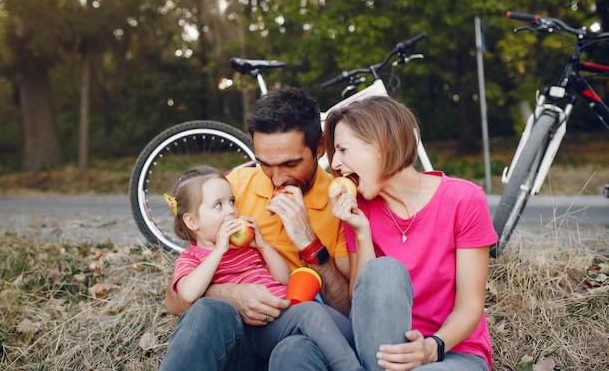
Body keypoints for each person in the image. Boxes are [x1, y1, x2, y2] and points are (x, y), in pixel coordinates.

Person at [159, 86, 352, 371]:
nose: (277, 178)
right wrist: (230, 295)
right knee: (211, 310)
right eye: (264, 164)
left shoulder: (341, 203)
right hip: (238, 342)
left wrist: (310, 244)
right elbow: (176, 301)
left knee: (295, 350)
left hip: (295, 335)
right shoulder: (230, 190)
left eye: (290, 163)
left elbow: (345, 312)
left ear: (321, 148)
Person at [324, 96, 498, 371]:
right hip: (381, 354)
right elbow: (364, 305)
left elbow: (470, 304)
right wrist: (362, 234)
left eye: (343, 150)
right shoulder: (359, 210)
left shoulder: (464, 199)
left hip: (448, 352)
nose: (335, 163)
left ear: (379, 146)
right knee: (383, 271)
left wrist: (432, 347)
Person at [162, 165, 364, 371]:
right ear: (192, 221)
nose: (231, 210)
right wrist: (219, 250)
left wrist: (262, 245)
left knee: (310, 320)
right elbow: (188, 294)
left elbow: (285, 279)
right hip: (254, 329)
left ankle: (356, 346)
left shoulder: (246, 249)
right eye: (218, 206)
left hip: (279, 322)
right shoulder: (192, 258)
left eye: (232, 201)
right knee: (310, 312)